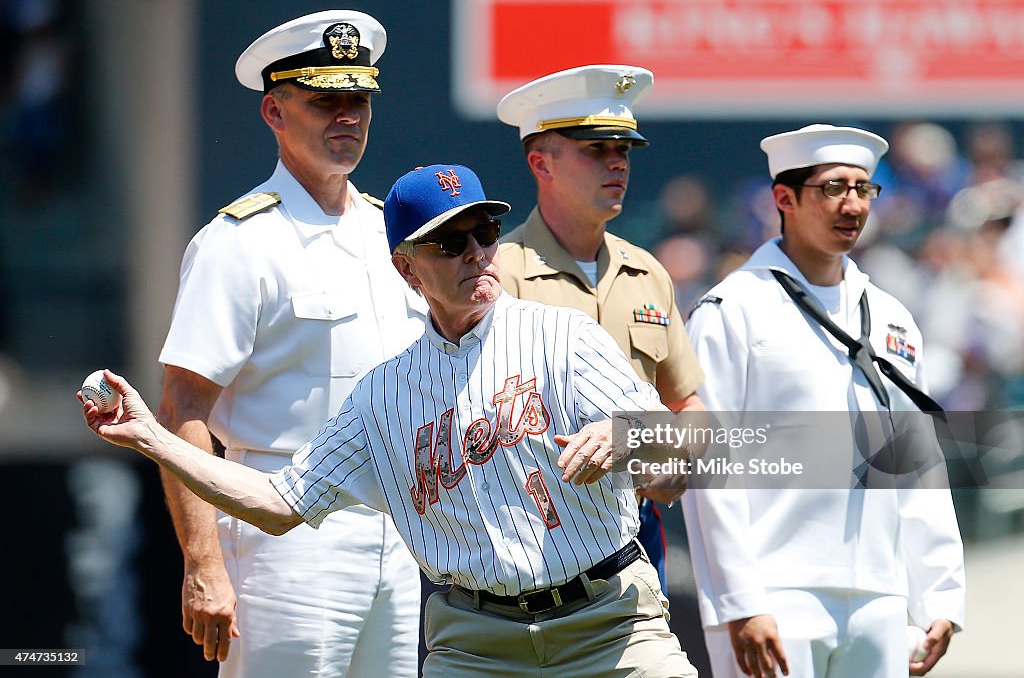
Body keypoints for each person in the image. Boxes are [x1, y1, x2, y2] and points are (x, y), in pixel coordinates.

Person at [84, 164, 700, 678]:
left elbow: (680, 467)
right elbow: (278, 503)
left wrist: (628, 441)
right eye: (450, 243)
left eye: (484, 233)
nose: (477, 254)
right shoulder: (384, 392)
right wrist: (152, 438)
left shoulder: (565, 338)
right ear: (408, 270)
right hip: (476, 646)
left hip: (610, 626)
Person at [154, 11, 426, 677]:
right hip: (284, 527)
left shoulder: (384, 230)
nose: (347, 116)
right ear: (274, 112)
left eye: (358, 98)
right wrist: (204, 560)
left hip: (396, 527)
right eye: (324, 99)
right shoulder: (238, 241)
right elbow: (181, 407)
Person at [682, 124, 966, 678]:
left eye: (863, 189)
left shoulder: (891, 316)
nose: (852, 204)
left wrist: (940, 595)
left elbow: (915, 463)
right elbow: (707, 464)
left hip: (880, 594)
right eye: (833, 188)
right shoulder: (732, 310)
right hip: (775, 589)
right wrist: (740, 601)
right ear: (784, 199)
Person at [496, 64, 705, 590]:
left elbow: (691, 408)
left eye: (624, 150)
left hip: (636, 536)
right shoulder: (500, 274)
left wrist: (674, 458)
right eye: (596, 149)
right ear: (541, 163)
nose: (617, 163)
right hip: (528, 539)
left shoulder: (648, 272)